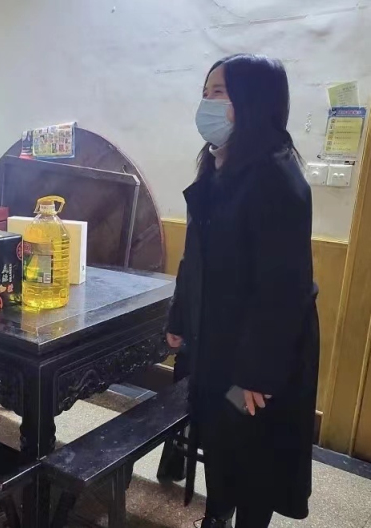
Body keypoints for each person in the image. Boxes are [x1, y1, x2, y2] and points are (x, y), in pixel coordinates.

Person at [165, 54, 320, 528]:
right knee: (220, 435)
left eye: (219, 92)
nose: (206, 102)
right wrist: (179, 317)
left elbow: (283, 289)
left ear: (253, 102)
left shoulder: (277, 177)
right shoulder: (218, 167)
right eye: (205, 91)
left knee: (254, 450)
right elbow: (195, 257)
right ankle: (217, 514)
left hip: (260, 355)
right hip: (218, 338)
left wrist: (257, 374)